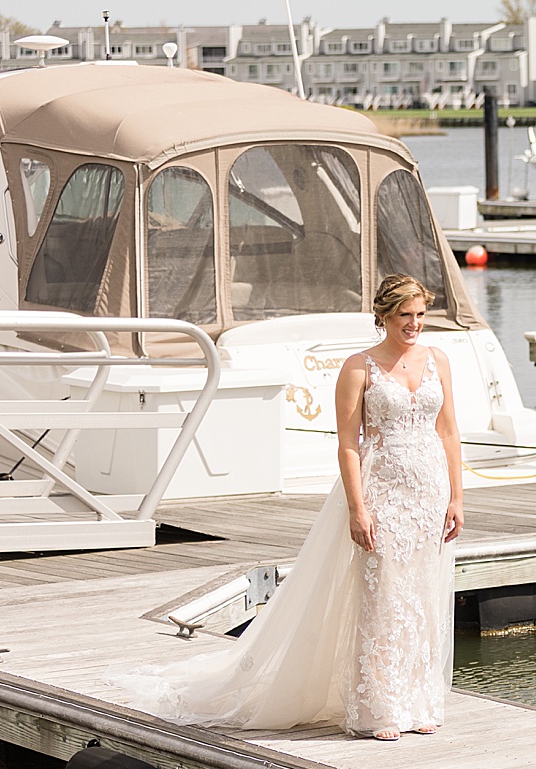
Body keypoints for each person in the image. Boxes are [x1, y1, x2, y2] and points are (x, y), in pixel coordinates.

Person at [117, 274, 463, 740]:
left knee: (420, 595)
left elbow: (448, 433)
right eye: (405, 315)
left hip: (428, 494)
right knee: (383, 599)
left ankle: (417, 699)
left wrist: (457, 497)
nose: (414, 325)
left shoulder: (437, 359)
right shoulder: (359, 367)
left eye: (420, 315)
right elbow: (348, 446)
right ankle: (379, 706)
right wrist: (359, 509)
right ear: (383, 316)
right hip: (383, 493)